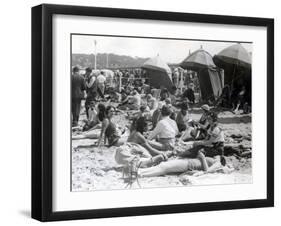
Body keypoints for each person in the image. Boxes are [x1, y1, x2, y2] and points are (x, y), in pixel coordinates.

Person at [138, 151, 225, 177]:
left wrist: (202, 158)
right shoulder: (214, 161)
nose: (215, 155)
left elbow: (207, 171)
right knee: (163, 166)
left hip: (189, 165)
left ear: (221, 158)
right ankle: (142, 171)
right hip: (188, 162)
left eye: (217, 156)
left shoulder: (218, 163)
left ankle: (142, 174)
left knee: (164, 167)